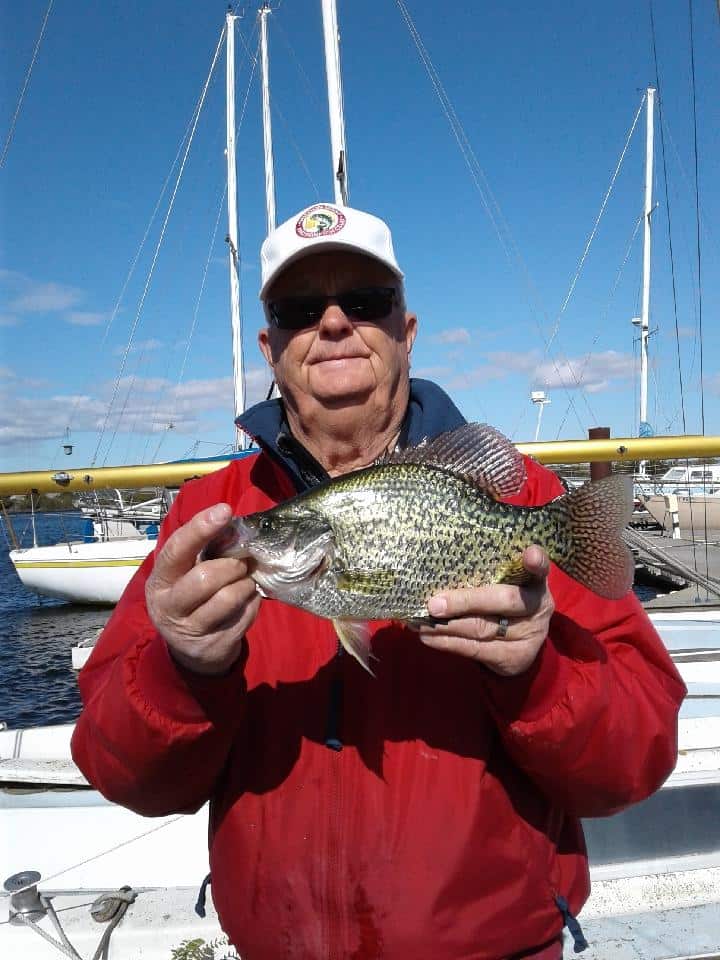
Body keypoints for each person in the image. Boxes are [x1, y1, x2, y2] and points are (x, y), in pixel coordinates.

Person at [71, 202, 686, 960]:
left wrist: (539, 671)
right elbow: (121, 773)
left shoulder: (523, 499)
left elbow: (637, 762)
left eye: (363, 302)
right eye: (301, 309)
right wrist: (183, 669)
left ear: (407, 330)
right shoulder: (211, 520)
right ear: (270, 347)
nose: (333, 323)